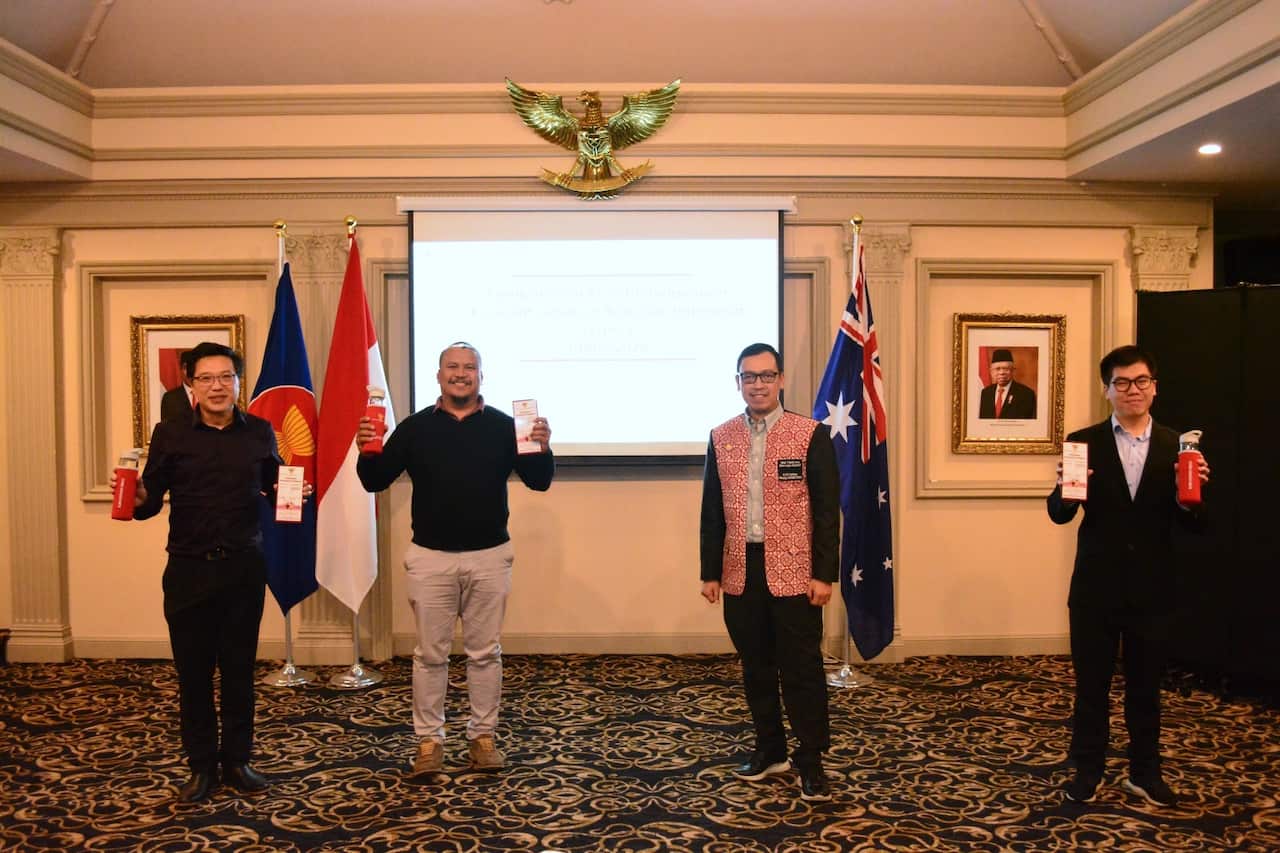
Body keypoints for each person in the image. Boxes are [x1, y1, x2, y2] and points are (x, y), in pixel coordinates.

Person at [356, 341, 553, 777]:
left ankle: (483, 738)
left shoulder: (506, 427)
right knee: (430, 656)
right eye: (452, 367)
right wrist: (364, 448)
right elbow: (375, 480)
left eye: (469, 367)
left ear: (481, 376)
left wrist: (542, 447)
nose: (460, 374)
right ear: (439, 375)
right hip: (430, 559)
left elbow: (539, 482)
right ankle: (429, 743)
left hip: (490, 557)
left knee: (485, 654)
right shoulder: (414, 428)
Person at [114, 341, 291, 803]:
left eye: (226, 377)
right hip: (188, 570)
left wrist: (295, 492)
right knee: (193, 676)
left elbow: (276, 488)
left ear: (238, 383)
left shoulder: (260, 432)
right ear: (191, 384)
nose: (218, 386)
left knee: (239, 673)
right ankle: (200, 767)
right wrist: (139, 499)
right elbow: (150, 500)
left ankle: (238, 761)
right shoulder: (170, 434)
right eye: (207, 378)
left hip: (243, 569)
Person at [1047, 344, 1210, 807]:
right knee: (1091, 688)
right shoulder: (1083, 442)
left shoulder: (1180, 446)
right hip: (1095, 587)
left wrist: (1193, 495)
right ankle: (1088, 771)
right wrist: (1063, 489)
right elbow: (1059, 514)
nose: (1132, 390)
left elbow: (1197, 525)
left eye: (1140, 381)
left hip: (1153, 589)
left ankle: (1145, 773)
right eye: (1121, 382)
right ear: (1107, 390)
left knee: (1146, 689)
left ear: (1154, 387)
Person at [699, 342, 840, 801]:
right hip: (741, 571)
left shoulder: (809, 434)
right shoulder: (721, 436)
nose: (757, 384)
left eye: (766, 375)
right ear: (737, 382)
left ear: (780, 380)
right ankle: (770, 750)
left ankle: (811, 760)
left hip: (796, 574)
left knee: (801, 669)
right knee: (756, 667)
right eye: (749, 376)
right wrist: (710, 572)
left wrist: (824, 574)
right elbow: (711, 511)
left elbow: (826, 511)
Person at [979, 348, 1037, 419]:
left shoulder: (1026, 394)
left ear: (1012, 371)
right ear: (991, 371)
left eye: (1006, 369)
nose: (1001, 373)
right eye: (997, 369)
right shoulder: (986, 393)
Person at [159, 348, 197, 424]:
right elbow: (166, 428)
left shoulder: (209, 394)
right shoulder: (169, 398)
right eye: (186, 368)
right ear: (181, 369)